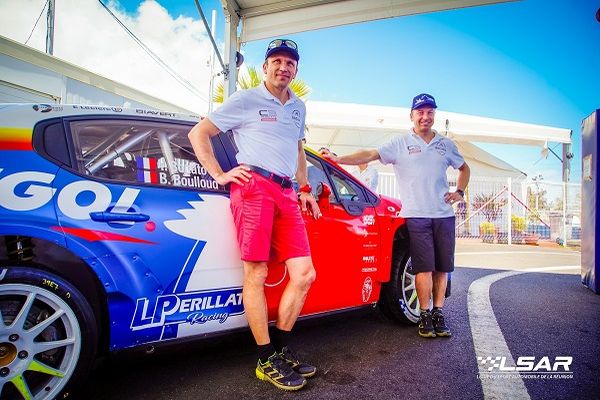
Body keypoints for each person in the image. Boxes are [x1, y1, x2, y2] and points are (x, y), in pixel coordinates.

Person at [188, 38, 321, 391]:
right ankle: (264, 358)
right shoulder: (247, 99)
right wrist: (219, 173)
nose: (283, 67)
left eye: (290, 63)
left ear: (296, 70)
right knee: (257, 271)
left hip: (287, 192)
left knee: (304, 274)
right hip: (254, 186)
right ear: (264, 68)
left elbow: (298, 150)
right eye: (276, 61)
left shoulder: (298, 108)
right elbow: (200, 132)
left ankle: (278, 350)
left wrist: (305, 188)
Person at [321, 93, 470, 338]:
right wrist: (338, 159)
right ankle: (424, 314)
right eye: (420, 112)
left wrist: (460, 192)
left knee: (442, 268)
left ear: (434, 115)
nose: (425, 116)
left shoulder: (446, 145)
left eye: (430, 112)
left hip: (443, 215)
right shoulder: (399, 143)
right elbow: (370, 154)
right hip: (416, 215)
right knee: (423, 267)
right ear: (411, 116)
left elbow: (464, 169)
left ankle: (438, 312)